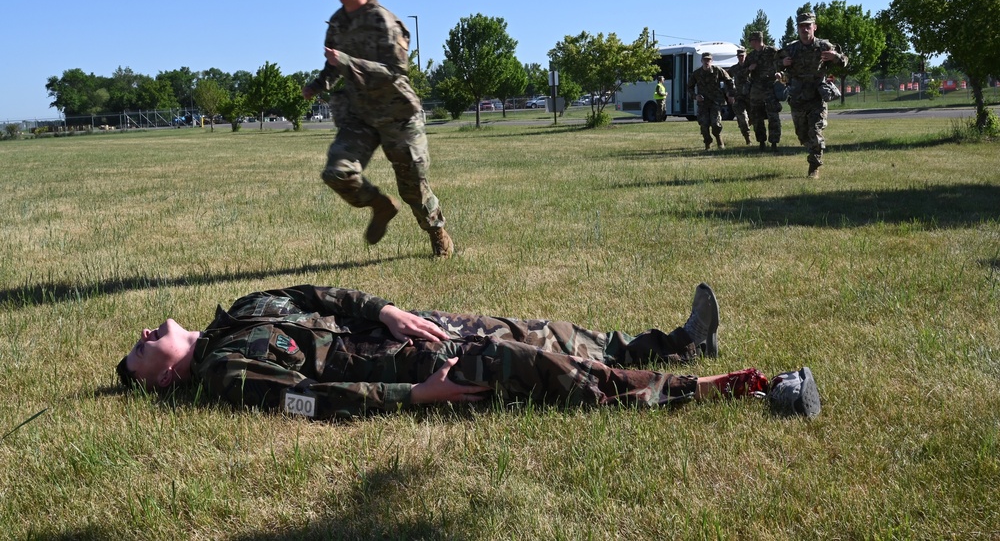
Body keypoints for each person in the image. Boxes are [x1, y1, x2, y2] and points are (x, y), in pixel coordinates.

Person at [116, 283, 820, 420]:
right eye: (141, 350)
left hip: (409, 328)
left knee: (538, 329)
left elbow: (317, 294)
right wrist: (415, 397)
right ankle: (742, 388)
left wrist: (383, 308)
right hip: (409, 368)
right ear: (160, 381)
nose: (150, 332)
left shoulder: (237, 314)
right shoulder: (225, 372)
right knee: (544, 366)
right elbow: (313, 401)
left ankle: (677, 340)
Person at [301, 0, 453, 256]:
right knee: (337, 172)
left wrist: (346, 60)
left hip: (397, 115)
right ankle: (380, 205)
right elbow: (332, 66)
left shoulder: (384, 21)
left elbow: (395, 72)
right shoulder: (337, 24)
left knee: (412, 188)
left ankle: (437, 232)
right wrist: (318, 84)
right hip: (360, 115)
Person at [775, 12, 848, 178]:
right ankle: (812, 149)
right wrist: (782, 63)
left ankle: (814, 167)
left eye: (808, 25)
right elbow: (775, 63)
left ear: (814, 27)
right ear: (798, 28)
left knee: (815, 133)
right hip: (798, 97)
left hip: (816, 96)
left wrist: (835, 56)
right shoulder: (790, 48)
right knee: (802, 135)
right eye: (801, 26)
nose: (805, 29)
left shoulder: (823, 45)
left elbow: (844, 60)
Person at [687, 52, 736, 150]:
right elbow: (689, 87)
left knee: (716, 124)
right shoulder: (697, 74)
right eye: (705, 60)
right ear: (701, 61)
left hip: (715, 102)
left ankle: (720, 142)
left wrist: (730, 94)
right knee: (704, 125)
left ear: (711, 61)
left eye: (708, 60)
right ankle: (707, 144)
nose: (707, 62)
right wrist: (695, 96)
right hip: (703, 104)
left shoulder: (717, 70)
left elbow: (729, 81)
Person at [745, 31, 783, 152]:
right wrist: (749, 69)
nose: (750, 43)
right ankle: (761, 142)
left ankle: (774, 143)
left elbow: (784, 63)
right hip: (756, 90)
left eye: (751, 40)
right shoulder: (751, 56)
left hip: (770, 88)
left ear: (755, 41)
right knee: (757, 117)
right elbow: (742, 73)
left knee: (773, 116)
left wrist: (781, 73)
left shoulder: (773, 51)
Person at [728, 48, 753, 145]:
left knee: (753, 118)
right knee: (742, 117)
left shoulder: (752, 66)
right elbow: (727, 79)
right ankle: (748, 139)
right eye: (739, 56)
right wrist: (730, 93)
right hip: (739, 97)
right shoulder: (734, 69)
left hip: (752, 97)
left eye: (743, 56)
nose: (741, 58)